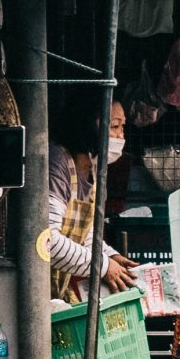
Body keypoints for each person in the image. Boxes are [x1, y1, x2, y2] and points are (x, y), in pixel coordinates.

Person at [47, 97, 137, 302]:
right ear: (87, 124)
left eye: (122, 127)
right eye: (114, 126)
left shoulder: (93, 171)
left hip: (55, 289)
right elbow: (47, 241)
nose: (121, 135)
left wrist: (110, 256)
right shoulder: (57, 163)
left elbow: (83, 234)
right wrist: (103, 266)